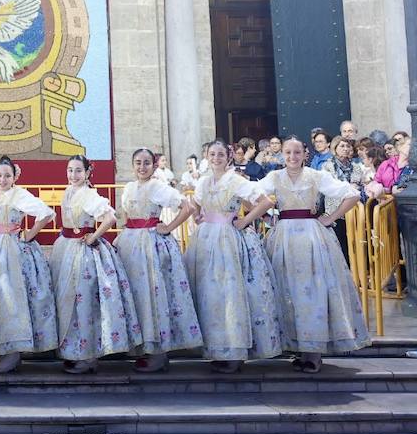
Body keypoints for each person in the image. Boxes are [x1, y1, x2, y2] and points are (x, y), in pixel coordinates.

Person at [256, 136, 368, 373]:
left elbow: (352, 194)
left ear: (305, 154)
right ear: (282, 154)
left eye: (297, 152)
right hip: (283, 237)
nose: (292, 157)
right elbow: (250, 195)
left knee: (313, 291)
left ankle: (313, 353)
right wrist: (265, 217)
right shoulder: (274, 177)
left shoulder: (316, 176)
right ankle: (298, 347)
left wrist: (331, 217)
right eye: (288, 153)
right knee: (287, 290)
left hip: (312, 238)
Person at [185, 139, 283, 373]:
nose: (216, 159)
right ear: (207, 157)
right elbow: (194, 205)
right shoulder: (204, 182)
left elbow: (265, 201)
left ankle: (234, 351)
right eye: (212, 154)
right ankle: (217, 349)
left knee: (229, 294)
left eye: (221, 155)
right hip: (206, 240)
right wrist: (197, 217)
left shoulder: (236, 180)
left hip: (228, 239)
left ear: (228, 157)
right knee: (210, 295)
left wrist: (245, 221)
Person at [114, 147, 201, 373]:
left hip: (150, 245)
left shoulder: (157, 187)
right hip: (130, 244)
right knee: (135, 295)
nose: (142, 167)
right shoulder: (130, 187)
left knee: (152, 295)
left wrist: (169, 227)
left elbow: (188, 207)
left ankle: (158, 351)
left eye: (146, 163)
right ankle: (141, 346)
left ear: (153, 165)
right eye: (138, 163)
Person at [51, 155, 141, 375]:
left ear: (87, 172)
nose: (73, 175)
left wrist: (93, 237)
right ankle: (74, 351)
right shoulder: (68, 191)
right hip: (66, 248)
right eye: (70, 170)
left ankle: (88, 354)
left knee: (85, 303)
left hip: (84, 253)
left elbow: (110, 218)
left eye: (78, 171)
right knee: (68, 303)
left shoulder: (89, 194)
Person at [0, 156, 58, 374]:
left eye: (7, 175)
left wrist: (29, 234)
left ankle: (14, 350)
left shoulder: (19, 194)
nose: (2, 179)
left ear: (15, 177)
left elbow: (46, 213)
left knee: (12, 298)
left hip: (11, 250)